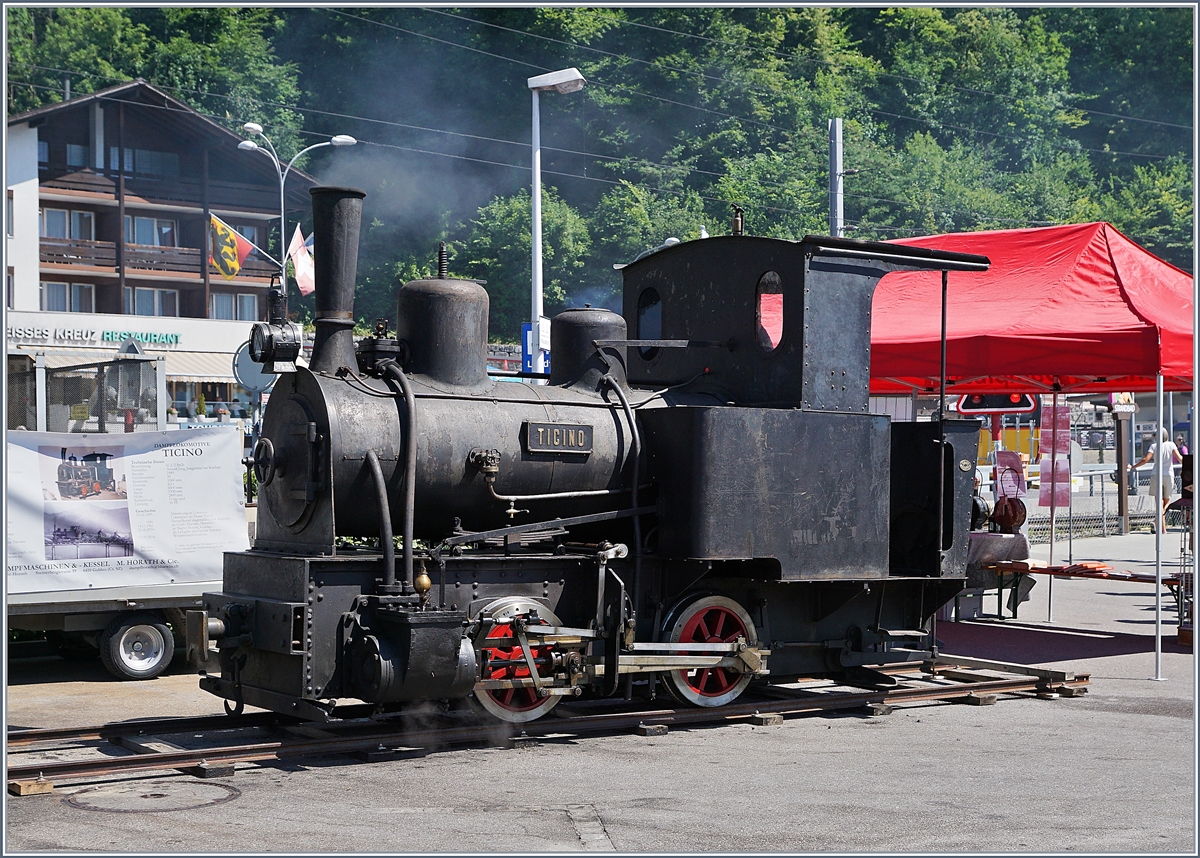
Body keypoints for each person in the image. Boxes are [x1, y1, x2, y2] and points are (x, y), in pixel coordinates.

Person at [1130, 428, 1182, 518]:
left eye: (1155, 435)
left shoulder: (1154, 446)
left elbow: (1145, 459)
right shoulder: (1171, 444)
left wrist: (1133, 467)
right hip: (1169, 475)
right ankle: (1162, 527)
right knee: (1166, 501)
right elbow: (1180, 458)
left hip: (1156, 475)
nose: (1154, 437)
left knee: (1159, 502)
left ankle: (1157, 521)